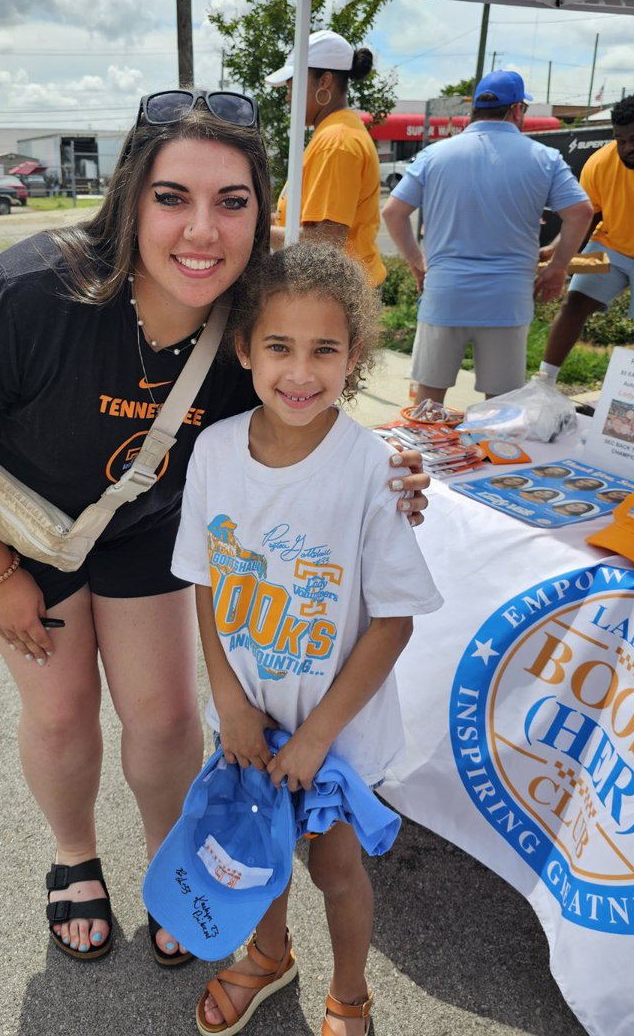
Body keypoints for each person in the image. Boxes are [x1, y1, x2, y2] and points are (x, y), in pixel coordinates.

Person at [0, 90, 430, 968]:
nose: (201, 231)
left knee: (169, 717)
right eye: (173, 197)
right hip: (25, 533)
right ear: (132, 197)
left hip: (147, 530)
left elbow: (308, 418)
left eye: (232, 201)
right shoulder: (32, 294)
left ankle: (173, 867)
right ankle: (73, 856)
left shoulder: (254, 314)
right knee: (62, 712)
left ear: (262, 211)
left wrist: (390, 474)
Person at [171, 242, 443, 1035]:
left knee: (332, 865)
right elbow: (208, 582)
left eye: (324, 349)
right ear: (245, 349)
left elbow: (393, 618)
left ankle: (351, 993)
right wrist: (228, 700)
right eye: (279, 347)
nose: (300, 372)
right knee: (256, 849)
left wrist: (318, 739)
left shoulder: (373, 470)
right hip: (249, 716)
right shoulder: (214, 452)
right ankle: (267, 952)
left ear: (354, 356)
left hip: (339, 731)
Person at [382, 70, 594, 405]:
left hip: (445, 294)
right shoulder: (543, 158)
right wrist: (557, 266)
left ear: (475, 109)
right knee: (500, 406)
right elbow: (581, 212)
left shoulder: (435, 155)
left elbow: (393, 212)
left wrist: (417, 264)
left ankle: (424, 456)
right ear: (517, 110)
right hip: (506, 300)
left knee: (428, 401)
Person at [539, 93, 634, 381]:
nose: (628, 148)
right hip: (610, 248)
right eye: (621, 140)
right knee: (575, 301)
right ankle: (543, 382)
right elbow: (587, 216)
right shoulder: (599, 163)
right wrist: (558, 253)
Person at [266, 30, 385, 286]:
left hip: (338, 294)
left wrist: (256, 234)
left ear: (325, 82)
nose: (289, 97)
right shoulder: (334, 133)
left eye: (293, 86)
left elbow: (325, 242)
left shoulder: (336, 141)